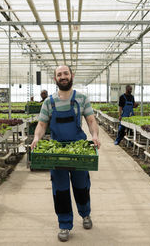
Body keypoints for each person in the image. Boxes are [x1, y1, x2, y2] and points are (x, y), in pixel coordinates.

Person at [31, 65, 101, 242]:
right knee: (60, 190)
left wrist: (94, 136)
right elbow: (41, 124)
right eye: (59, 74)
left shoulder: (82, 98)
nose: (63, 77)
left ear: (72, 76)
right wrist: (37, 138)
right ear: (55, 79)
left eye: (66, 73)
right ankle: (64, 224)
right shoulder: (49, 102)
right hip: (57, 153)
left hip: (78, 152)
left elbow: (91, 120)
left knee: (81, 185)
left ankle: (85, 214)